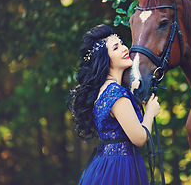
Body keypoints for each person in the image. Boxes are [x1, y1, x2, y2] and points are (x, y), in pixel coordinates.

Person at [67, 24, 160, 185]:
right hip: (120, 169)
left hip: (105, 165)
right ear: (105, 59)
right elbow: (139, 138)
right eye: (116, 48)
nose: (125, 48)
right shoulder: (115, 93)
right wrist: (150, 112)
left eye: (122, 43)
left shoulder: (104, 91)